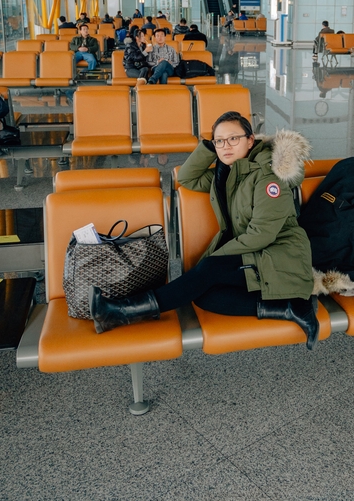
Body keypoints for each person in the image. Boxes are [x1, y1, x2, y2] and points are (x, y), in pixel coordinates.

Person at [89, 113, 319, 349]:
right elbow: (187, 178)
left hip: (279, 255)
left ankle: (123, 311)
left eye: (233, 139)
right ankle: (288, 308)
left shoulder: (268, 177)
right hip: (252, 252)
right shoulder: (227, 173)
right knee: (203, 294)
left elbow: (261, 235)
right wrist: (211, 147)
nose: (226, 146)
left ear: (251, 140)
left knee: (206, 272)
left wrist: (211, 262)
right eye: (220, 140)